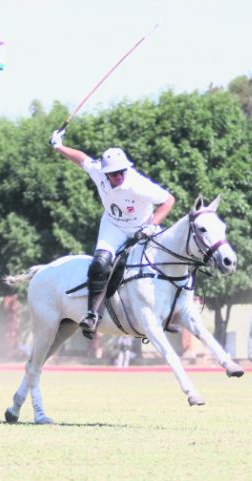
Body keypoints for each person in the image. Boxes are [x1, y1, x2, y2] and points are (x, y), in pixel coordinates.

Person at [49, 129, 175, 337]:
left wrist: (152, 224)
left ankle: (169, 314)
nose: (119, 176)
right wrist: (58, 145)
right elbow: (81, 159)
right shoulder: (98, 171)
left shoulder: (138, 184)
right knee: (99, 264)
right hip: (113, 226)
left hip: (142, 227)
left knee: (164, 261)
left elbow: (168, 200)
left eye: (122, 171)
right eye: (114, 173)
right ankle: (92, 315)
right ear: (105, 173)